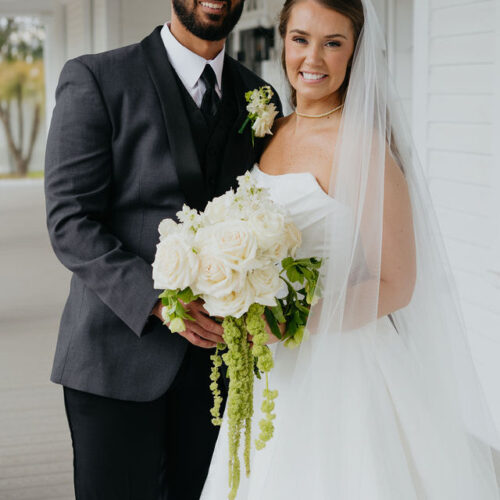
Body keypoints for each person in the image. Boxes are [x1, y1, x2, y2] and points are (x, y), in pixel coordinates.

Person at [200, 0, 500, 498]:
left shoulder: (361, 146)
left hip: (342, 364)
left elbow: (397, 284)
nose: (312, 58)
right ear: (283, 41)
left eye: (332, 42)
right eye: (301, 39)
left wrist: (295, 321)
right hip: (272, 367)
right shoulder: (272, 129)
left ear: (354, 51)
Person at [44, 0, 282, 498]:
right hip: (115, 359)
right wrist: (156, 299)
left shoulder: (261, 97)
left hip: (218, 370)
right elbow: (70, 221)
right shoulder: (96, 78)